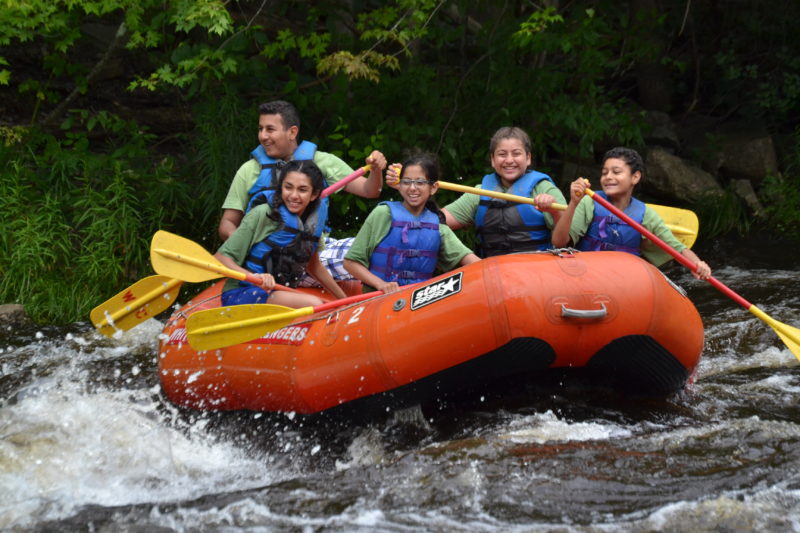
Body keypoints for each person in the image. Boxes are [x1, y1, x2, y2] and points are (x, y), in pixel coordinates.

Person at [218, 100, 387, 241]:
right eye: (260, 129)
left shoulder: (322, 162)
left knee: (364, 251)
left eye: (270, 129)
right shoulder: (248, 170)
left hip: (311, 252)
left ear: (292, 132)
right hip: (262, 252)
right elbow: (227, 223)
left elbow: (370, 191)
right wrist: (243, 244)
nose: (263, 136)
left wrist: (376, 170)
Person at [551, 146, 712, 279]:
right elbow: (559, 242)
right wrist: (573, 203)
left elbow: (676, 247)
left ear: (635, 177)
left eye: (616, 172)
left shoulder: (646, 215)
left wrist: (697, 264)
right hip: (585, 273)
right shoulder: (589, 202)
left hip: (625, 281)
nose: (608, 177)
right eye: (605, 172)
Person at [215, 160, 347, 308]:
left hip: (277, 292)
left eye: (302, 190)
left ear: (314, 194)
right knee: (315, 304)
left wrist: (345, 300)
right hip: (242, 292)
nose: (294, 195)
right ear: (281, 187)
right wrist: (254, 277)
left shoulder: (311, 223)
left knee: (321, 304)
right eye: (288, 187)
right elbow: (220, 258)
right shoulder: (262, 214)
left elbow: (313, 265)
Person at [344, 153, 480, 294]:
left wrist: (493, 269)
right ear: (400, 185)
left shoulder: (438, 226)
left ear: (433, 188)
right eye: (406, 182)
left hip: (416, 302)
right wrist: (381, 284)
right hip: (378, 299)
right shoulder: (383, 213)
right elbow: (350, 262)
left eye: (420, 182)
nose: (412, 188)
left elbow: (473, 261)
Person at [432, 126, 567, 257]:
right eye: (502, 154)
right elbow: (434, 223)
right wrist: (465, 257)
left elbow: (564, 242)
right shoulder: (480, 193)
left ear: (528, 158)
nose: (509, 160)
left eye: (516, 154)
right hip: (492, 269)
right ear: (493, 160)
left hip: (536, 268)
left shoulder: (545, 189)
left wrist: (555, 212)